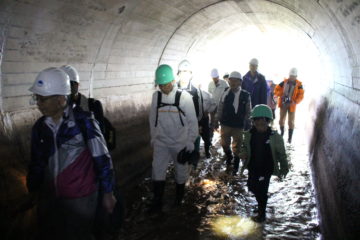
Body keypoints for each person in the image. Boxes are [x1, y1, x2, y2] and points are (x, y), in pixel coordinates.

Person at [26, 67, 116, 240]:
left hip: (80, 198)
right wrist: (33, 189)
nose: (38, 103)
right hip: (50, 199)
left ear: (60, 99)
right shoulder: (40, 128)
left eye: (43, 99)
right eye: (37, 98)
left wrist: (108, 193)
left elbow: (102, 159)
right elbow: (37, 162)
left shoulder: (84, 122)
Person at [149, 64, 198, 212]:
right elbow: (152, 119)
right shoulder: (156, 97)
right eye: (160, 85)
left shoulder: (185, 98)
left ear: (172, 81)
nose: (163, 88)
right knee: (157, 170)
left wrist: (190, 144)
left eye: (165, 84)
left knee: (180, 171)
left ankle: (179, 199)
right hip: (161, 143)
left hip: (180, 143)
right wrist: (153, 138)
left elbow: (193, 123)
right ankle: (157, 202)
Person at [240, 104, 289, 223]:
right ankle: (260, 202)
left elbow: (282, 154)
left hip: (266, 168)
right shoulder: (248, 134)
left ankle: (262, 214)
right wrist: (243, 153)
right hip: (253, 167)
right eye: (257, 121)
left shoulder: (275, 137)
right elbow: (244, 147)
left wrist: (284, 168)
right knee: (251, 187)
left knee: (262, 190)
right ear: (253, 122)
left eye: (263, 122)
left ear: (268, 122)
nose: (260, 124)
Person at [177, 60, 216, 160]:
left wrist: (198, 124)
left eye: (187, 72)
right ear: (178, 74)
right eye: (182, 72)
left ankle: (205, 152)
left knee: (203, 140)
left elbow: (202, 108)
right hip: (179, 126)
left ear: (191, 75)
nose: (185, 75)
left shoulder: (197, 92)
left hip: (197, 121)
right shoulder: (173, 89)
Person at [215, 71, 251, 175]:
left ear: (240, 82)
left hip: (238, 125)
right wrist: (216, 120)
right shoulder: (225, 93)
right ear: (229, 81)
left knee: (237, 146)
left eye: (236, 80)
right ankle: (229, 155)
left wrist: (249, 123)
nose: (233, 83)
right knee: (224, 143)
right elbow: (220, 107)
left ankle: (235, 163)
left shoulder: (245, 95)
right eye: (231, 80)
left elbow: (249, 111)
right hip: (225, 123)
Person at [60, 65, 105, 133]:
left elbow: (101, 132)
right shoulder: (58, 108)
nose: (66, 89)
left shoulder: (93, 106)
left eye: (68, 84)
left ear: (77, 85)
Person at [274, 68, 304, 143]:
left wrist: (295, 101)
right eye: (291, 76)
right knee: (281, 120)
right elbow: (276, 89)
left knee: (291, 122)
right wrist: (280, 95)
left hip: (292, 106)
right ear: (289, 75)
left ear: (296, 76)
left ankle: (290, 138)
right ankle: (282, 133)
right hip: (283, 104)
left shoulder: (299, 85)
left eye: (293, 76)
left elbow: (301, 95)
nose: (292, 77)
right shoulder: (284, 82)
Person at [208, 68, 229, 140]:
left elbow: (228, 94)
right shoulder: (210, 84)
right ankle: (210, 137)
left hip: (222, 106)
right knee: (212, 122)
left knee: (223, 122)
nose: (214, 79)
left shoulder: (224, 83)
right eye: (213, 78)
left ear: (218, 77)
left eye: (215, 78)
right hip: (213, 106)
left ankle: (224, 138)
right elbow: (209, 95)